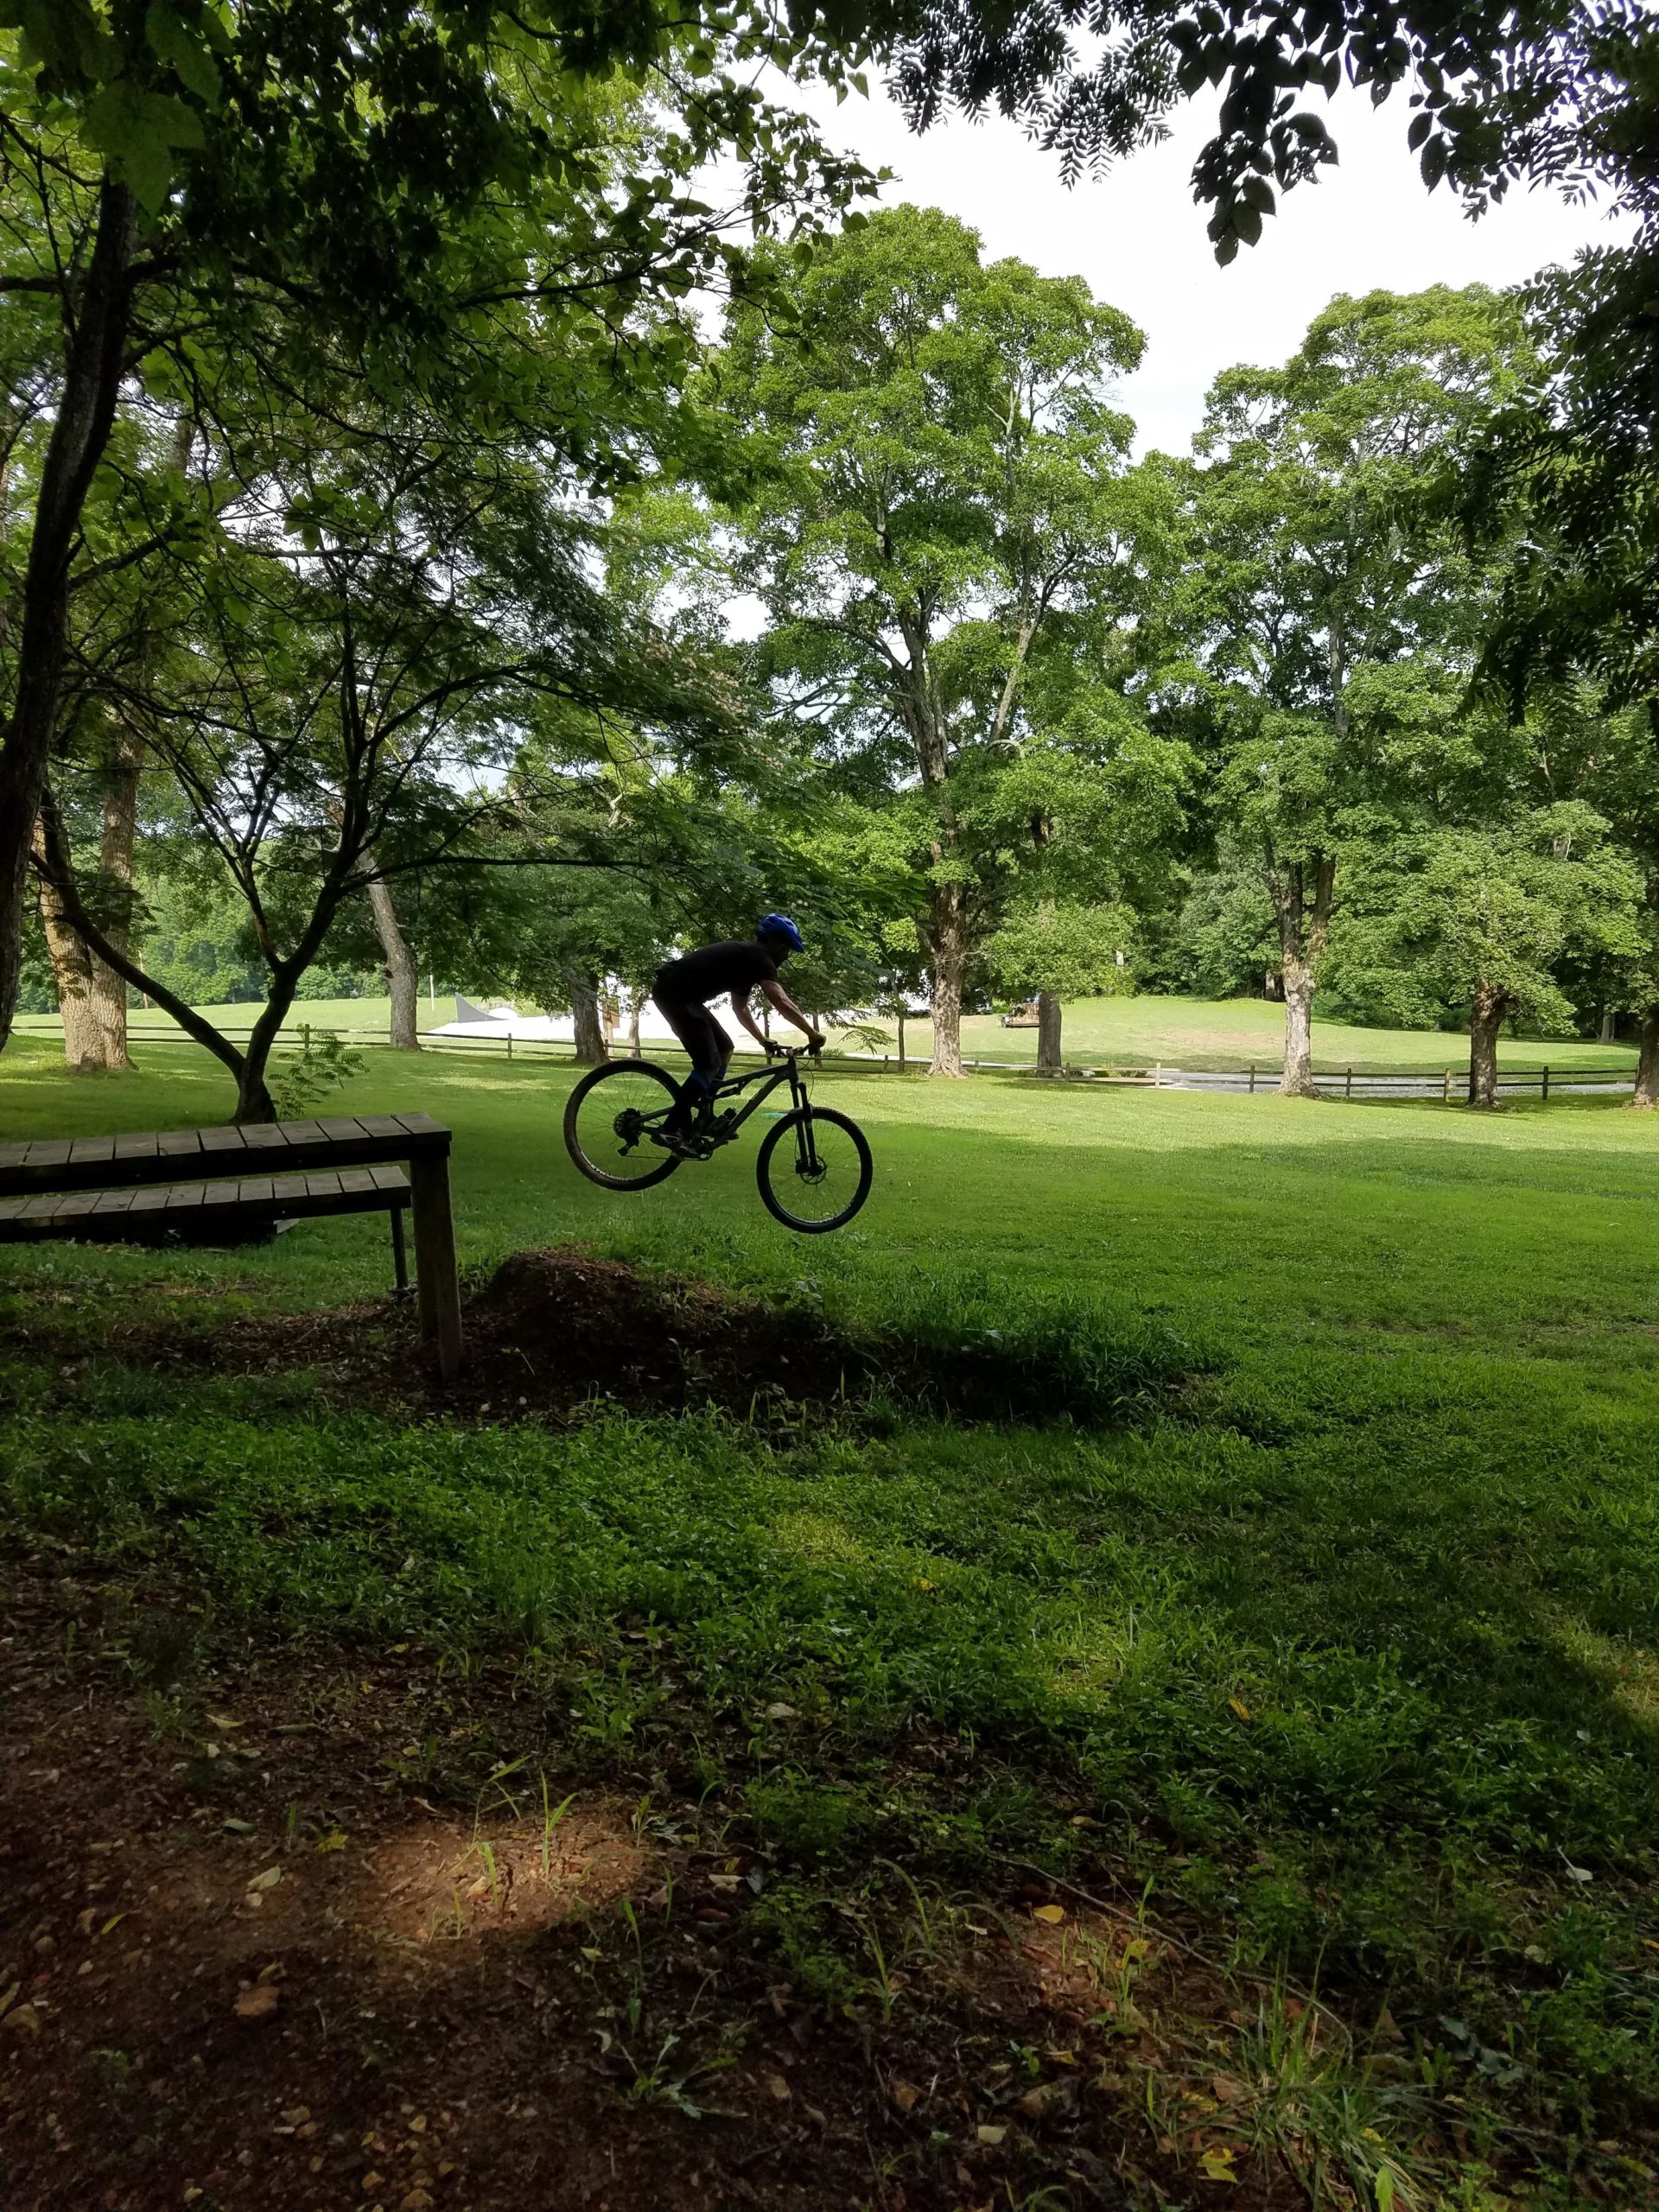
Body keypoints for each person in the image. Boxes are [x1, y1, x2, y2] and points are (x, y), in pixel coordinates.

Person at [652, 914, 823, 1152]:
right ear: (775, 942)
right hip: (675, 993)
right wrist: (812, 1034)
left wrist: (763, 1040)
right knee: (709, 1062)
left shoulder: (746, 964)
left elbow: (740, 1009)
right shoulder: (759, 957)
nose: (786, 955)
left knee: (725, 1048)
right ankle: (669, 1129)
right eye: (787, 947)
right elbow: (780, 1000)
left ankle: (705, 1116)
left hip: (683, 997)